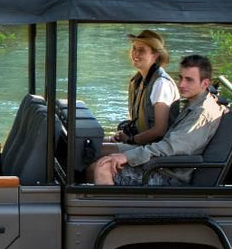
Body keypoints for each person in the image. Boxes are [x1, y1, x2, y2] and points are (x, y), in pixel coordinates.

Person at [89, 54, 222, 186]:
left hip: (170, 175)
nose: (181, 84)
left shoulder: (201, 113)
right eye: (180, 78)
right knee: (96, 163)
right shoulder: (195, 102)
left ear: (205, 83)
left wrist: (127, 157)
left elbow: (170, 148)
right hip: (164, 166)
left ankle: (111, 207)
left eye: (189, 80)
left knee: (103, 168)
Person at [113, 29, 177, 147]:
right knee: (88, 143)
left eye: (141, 50)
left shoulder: (161, 84)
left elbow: (159, 130)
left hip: (153, 150)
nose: (135, 54)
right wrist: (124, 135)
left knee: (90, 153)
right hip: (139, 143)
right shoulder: (138, 80)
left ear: (155, 55)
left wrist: (130, 140)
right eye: (134, 48)